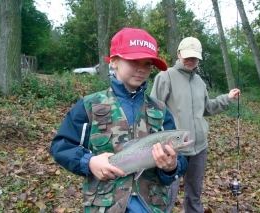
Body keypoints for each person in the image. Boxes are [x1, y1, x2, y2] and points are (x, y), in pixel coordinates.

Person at [49, 27, 189, 213]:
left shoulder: (161, 111)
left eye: (147, 63)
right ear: (113, 61)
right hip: (104, 205)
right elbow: (61, 146)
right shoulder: (89, 105)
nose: (141, 68)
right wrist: (89, 162)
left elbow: (178, 165)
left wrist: (171, 167)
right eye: (133, 61)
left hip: (150, 206)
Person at [150, 37, 240, 213]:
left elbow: (207, 108)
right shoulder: (165, 77)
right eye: (188, 56)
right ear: (178, 54)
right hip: (173, 149)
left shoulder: (199, 82)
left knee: (194, 194)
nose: (191, 60)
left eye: (195, 57)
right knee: (168, 193)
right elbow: (153, 112)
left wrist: (227, 98)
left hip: (199, 147)